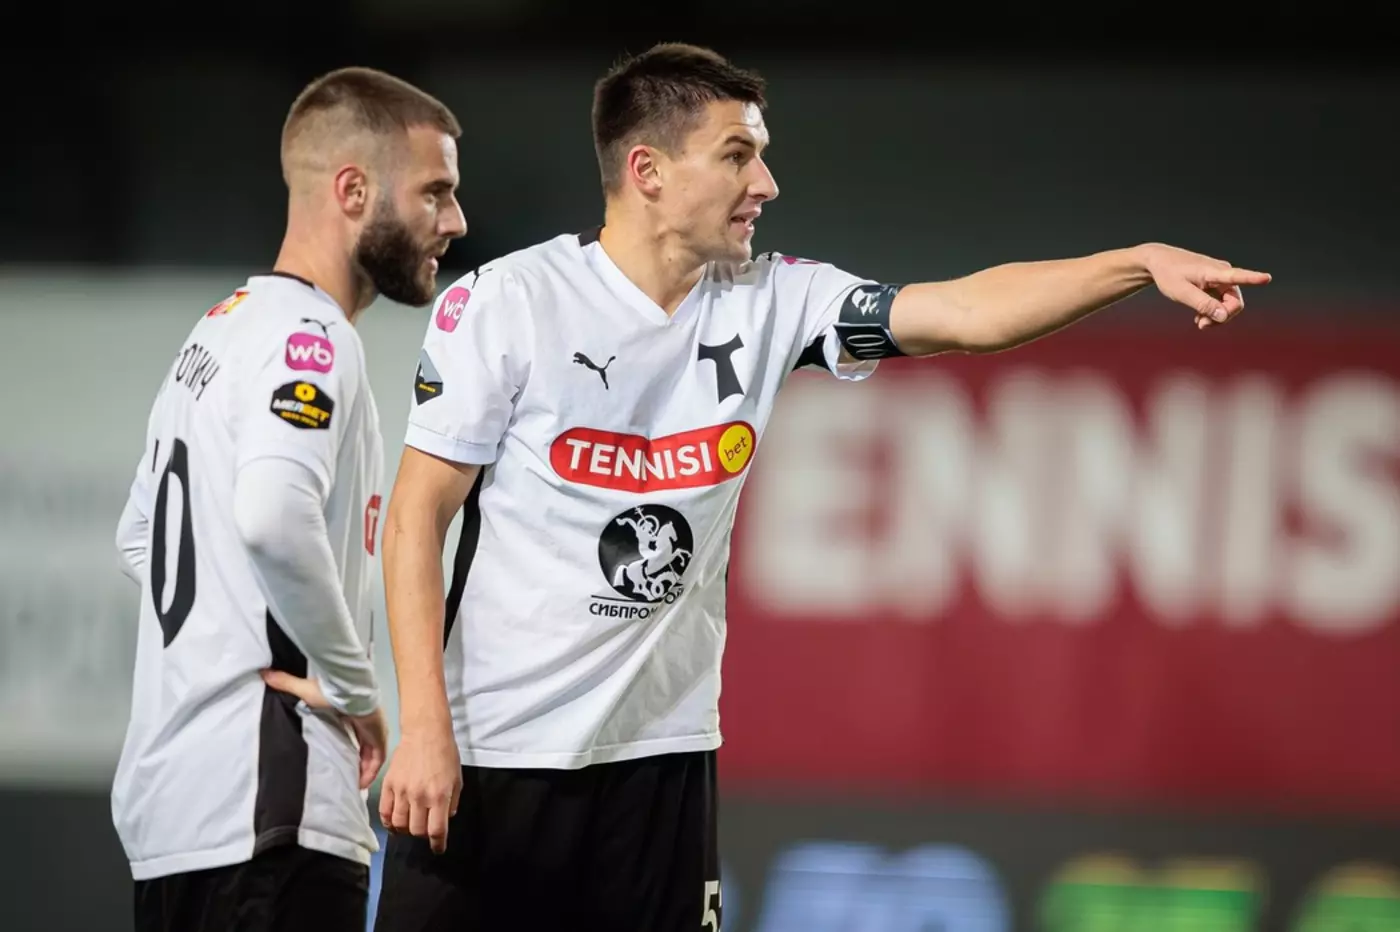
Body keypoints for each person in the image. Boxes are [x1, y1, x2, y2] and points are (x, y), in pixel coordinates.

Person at [371, 42, 1270, 932]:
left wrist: (1134, 262)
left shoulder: (774, 300)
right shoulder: (506, 303)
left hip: (661, 764)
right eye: (737, 155)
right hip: (491, 752)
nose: (765, 184)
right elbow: (415, 517)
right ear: (647, 170)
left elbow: (966, 311)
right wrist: (426, 729)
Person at [110, 66, 466, 932]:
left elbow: (138, 536)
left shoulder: (220, 330)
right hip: (271, 810)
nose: (455, 220)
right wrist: (353, 689)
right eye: (435, 192)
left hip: (178, 815)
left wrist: (222, 650)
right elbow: (273, 518)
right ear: (353, 190)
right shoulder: (313, 337)